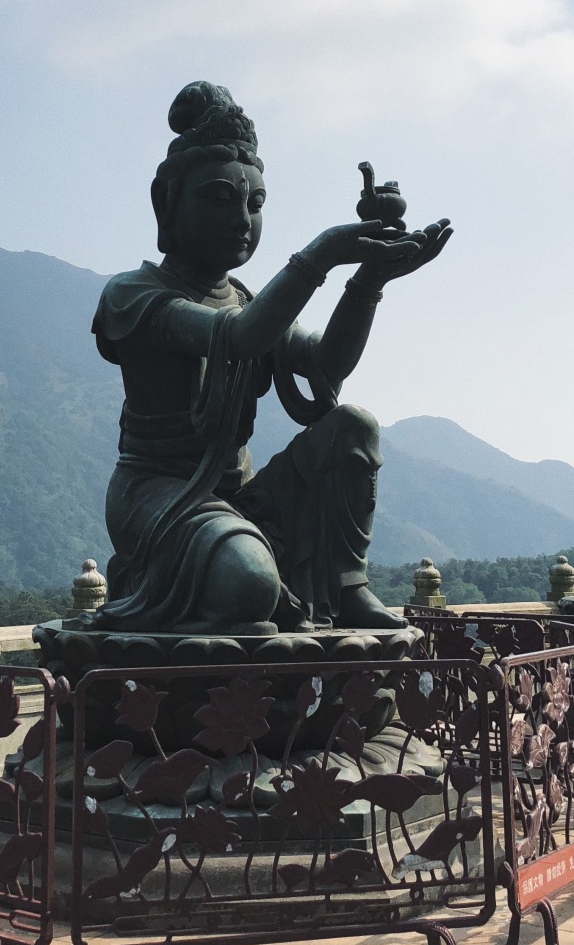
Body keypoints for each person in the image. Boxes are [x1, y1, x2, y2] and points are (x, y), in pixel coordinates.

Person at [92, 82, 452, 634]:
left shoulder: (248, 299)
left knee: (353, 425)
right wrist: (321, 255)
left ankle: (347, 584)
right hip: (160, 497)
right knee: (250, 583)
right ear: (167, 203)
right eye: (220, 199)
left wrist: (369, 279)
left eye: (255, 203)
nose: (242, 219)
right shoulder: (134, 295)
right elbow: (238, 338)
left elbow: (327, 363)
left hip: (242, 499)